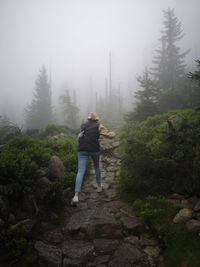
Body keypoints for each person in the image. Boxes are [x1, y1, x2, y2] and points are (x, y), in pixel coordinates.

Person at [71, 112, 115, 204]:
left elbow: (80, 136)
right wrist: (113, 134)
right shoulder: (99, 125)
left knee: (80, 171)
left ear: (88, 119)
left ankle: (76, 196)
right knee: (96, 167)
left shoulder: (83, 125)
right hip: (94, 150)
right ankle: (99, 187)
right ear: (96, 119)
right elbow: (107, 135)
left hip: (82, 150)